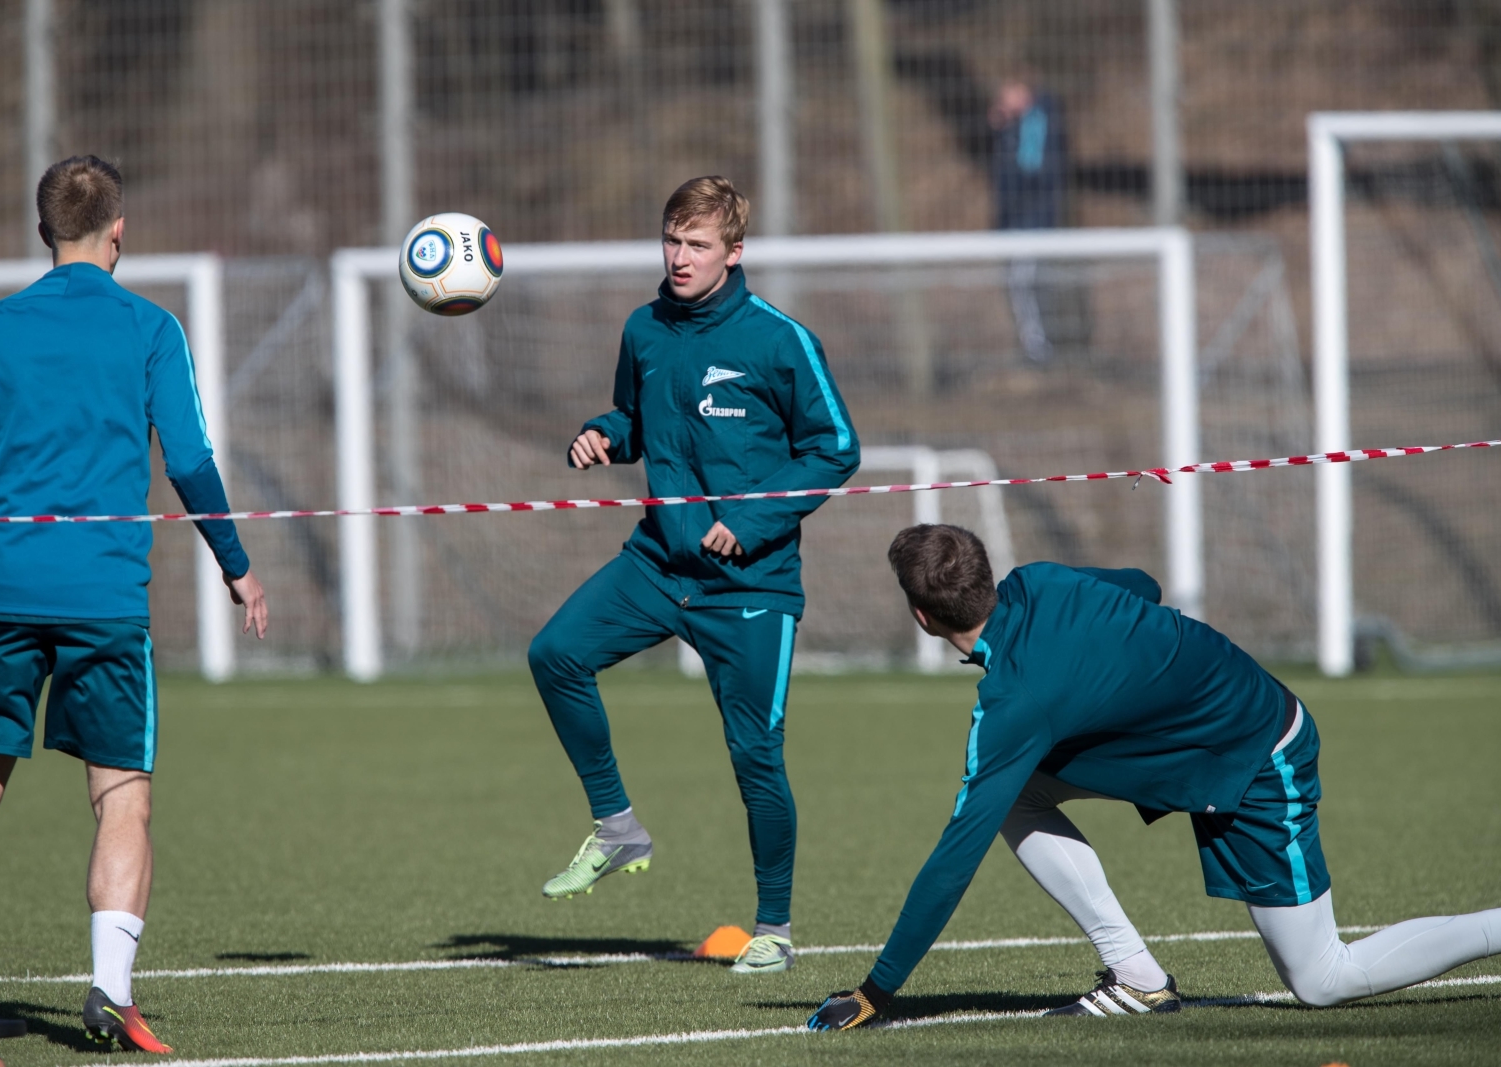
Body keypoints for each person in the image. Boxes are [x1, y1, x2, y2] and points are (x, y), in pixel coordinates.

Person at [808, 524, 1501, 1029]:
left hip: (1259, 753)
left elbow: (954, 855)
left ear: (922, 616)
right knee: (1016, 790)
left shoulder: (1016, 702)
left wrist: (878, 990)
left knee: (1323, 979)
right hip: (1206, 741)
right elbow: (1144, 586)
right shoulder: (1042, 580)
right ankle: (1137, 976)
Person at [0, 156, 267, 1052]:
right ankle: (107, 992)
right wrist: (237, 564)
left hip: (9, 594)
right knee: (121, 798)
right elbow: (187, 460)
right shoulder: (150, 327)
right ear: (120, 229)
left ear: (42, 234)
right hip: (107, 600)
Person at [528, 175, 860, 975]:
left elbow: (836, 448)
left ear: (734, 252)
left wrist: (747, 524)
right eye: (672, 241)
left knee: (755, 755)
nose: (680, 257)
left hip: (750, 584)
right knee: (554, 654)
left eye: (698, 244)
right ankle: (616, 828)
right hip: (657, 562)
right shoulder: (644, 329)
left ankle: (774, 927)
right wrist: (603, 434)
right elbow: (639, 419)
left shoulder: (781, 339)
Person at [989, 75, 1068, 363]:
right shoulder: (1019, 125)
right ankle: (1035, 345)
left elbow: (1029, 171)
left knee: (1025, 281)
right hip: (1018, 219)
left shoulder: (1036, 122)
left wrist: (1007, 131)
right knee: (1022, 281)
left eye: (1007, 93)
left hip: (1031, 219)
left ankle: (1038, 347)